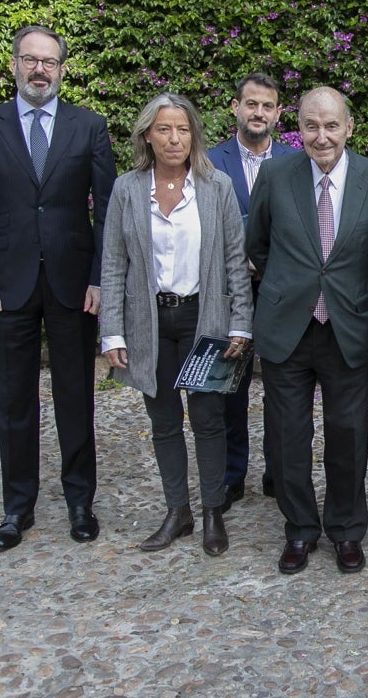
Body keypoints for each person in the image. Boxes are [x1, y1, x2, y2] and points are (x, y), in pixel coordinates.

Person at [0, 25, 118, 553]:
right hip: (6, 284)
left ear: (62, 69)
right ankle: (16, 508)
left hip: (73, 286)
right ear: (14, 65)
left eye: (49, 61)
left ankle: (78, 502)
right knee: (13, 400)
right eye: (30, 60)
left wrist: (99, 279)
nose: (39, 69)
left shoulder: (89, 126)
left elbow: (108, 212)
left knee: (76, 398)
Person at [245, 87, 368, 575]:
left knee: (348, 433)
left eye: (332, 125)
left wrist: (339, 289)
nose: (322, 136)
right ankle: (300, 530)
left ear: (349, 127)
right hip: (287, 323)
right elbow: (258, 245)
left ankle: (347, 530)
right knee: (288, 435)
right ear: (298, 129)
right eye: (311, 125)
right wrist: (294, 287)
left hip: (345, 324)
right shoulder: (275, 174)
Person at [99, 93, 253, 556]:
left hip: (202, 318)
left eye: (183, 129)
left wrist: (241, 325)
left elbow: (233, 260)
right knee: (163, 420)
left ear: (194, 135)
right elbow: (113, 263)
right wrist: (111, 330)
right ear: (147, 134)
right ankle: (176, 512)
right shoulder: (127, 189)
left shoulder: (216, 186)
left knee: (207, 418)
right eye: (164, 129)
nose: (174, 139)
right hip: (147, 319)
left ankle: (211, 512)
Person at [207, 72, 300, 511]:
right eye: (251, 104)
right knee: (230, 387)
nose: (258, 113)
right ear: (235, 107)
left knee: (284, 388)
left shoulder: (295, 161)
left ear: (278, 113)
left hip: (281, 291)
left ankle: (277, 472)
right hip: (230, 291)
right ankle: (231, 476)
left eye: (267, 106)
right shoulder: (208, 162)